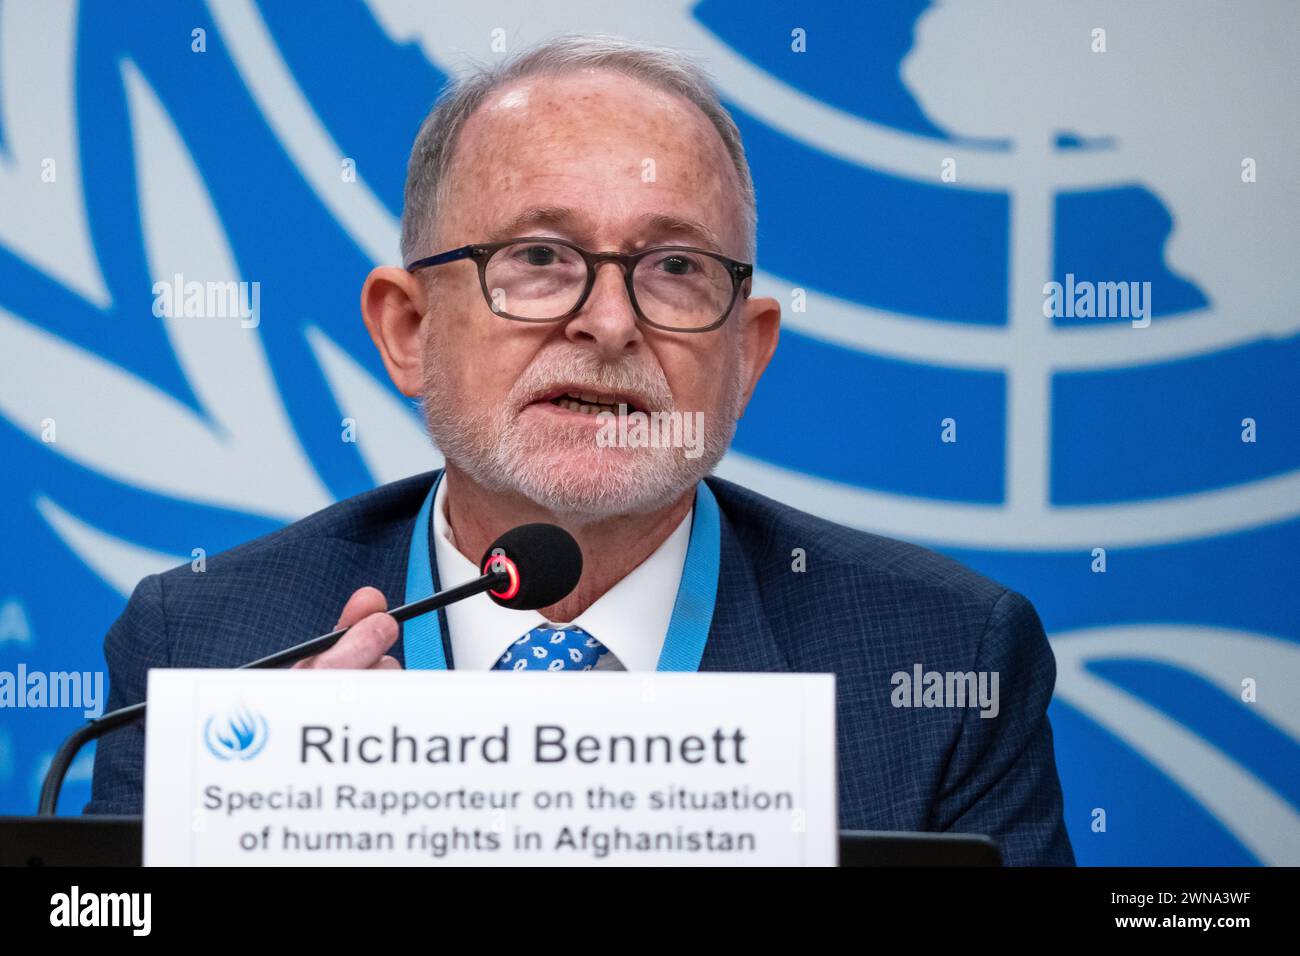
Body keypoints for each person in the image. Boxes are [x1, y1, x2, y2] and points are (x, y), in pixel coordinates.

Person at [86, 33, 1073, 866]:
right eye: (538, 259)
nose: (608, 323)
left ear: (747, 353)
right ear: (407, 328)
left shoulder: (943, 662)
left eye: (676, 267)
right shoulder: (206, 649)